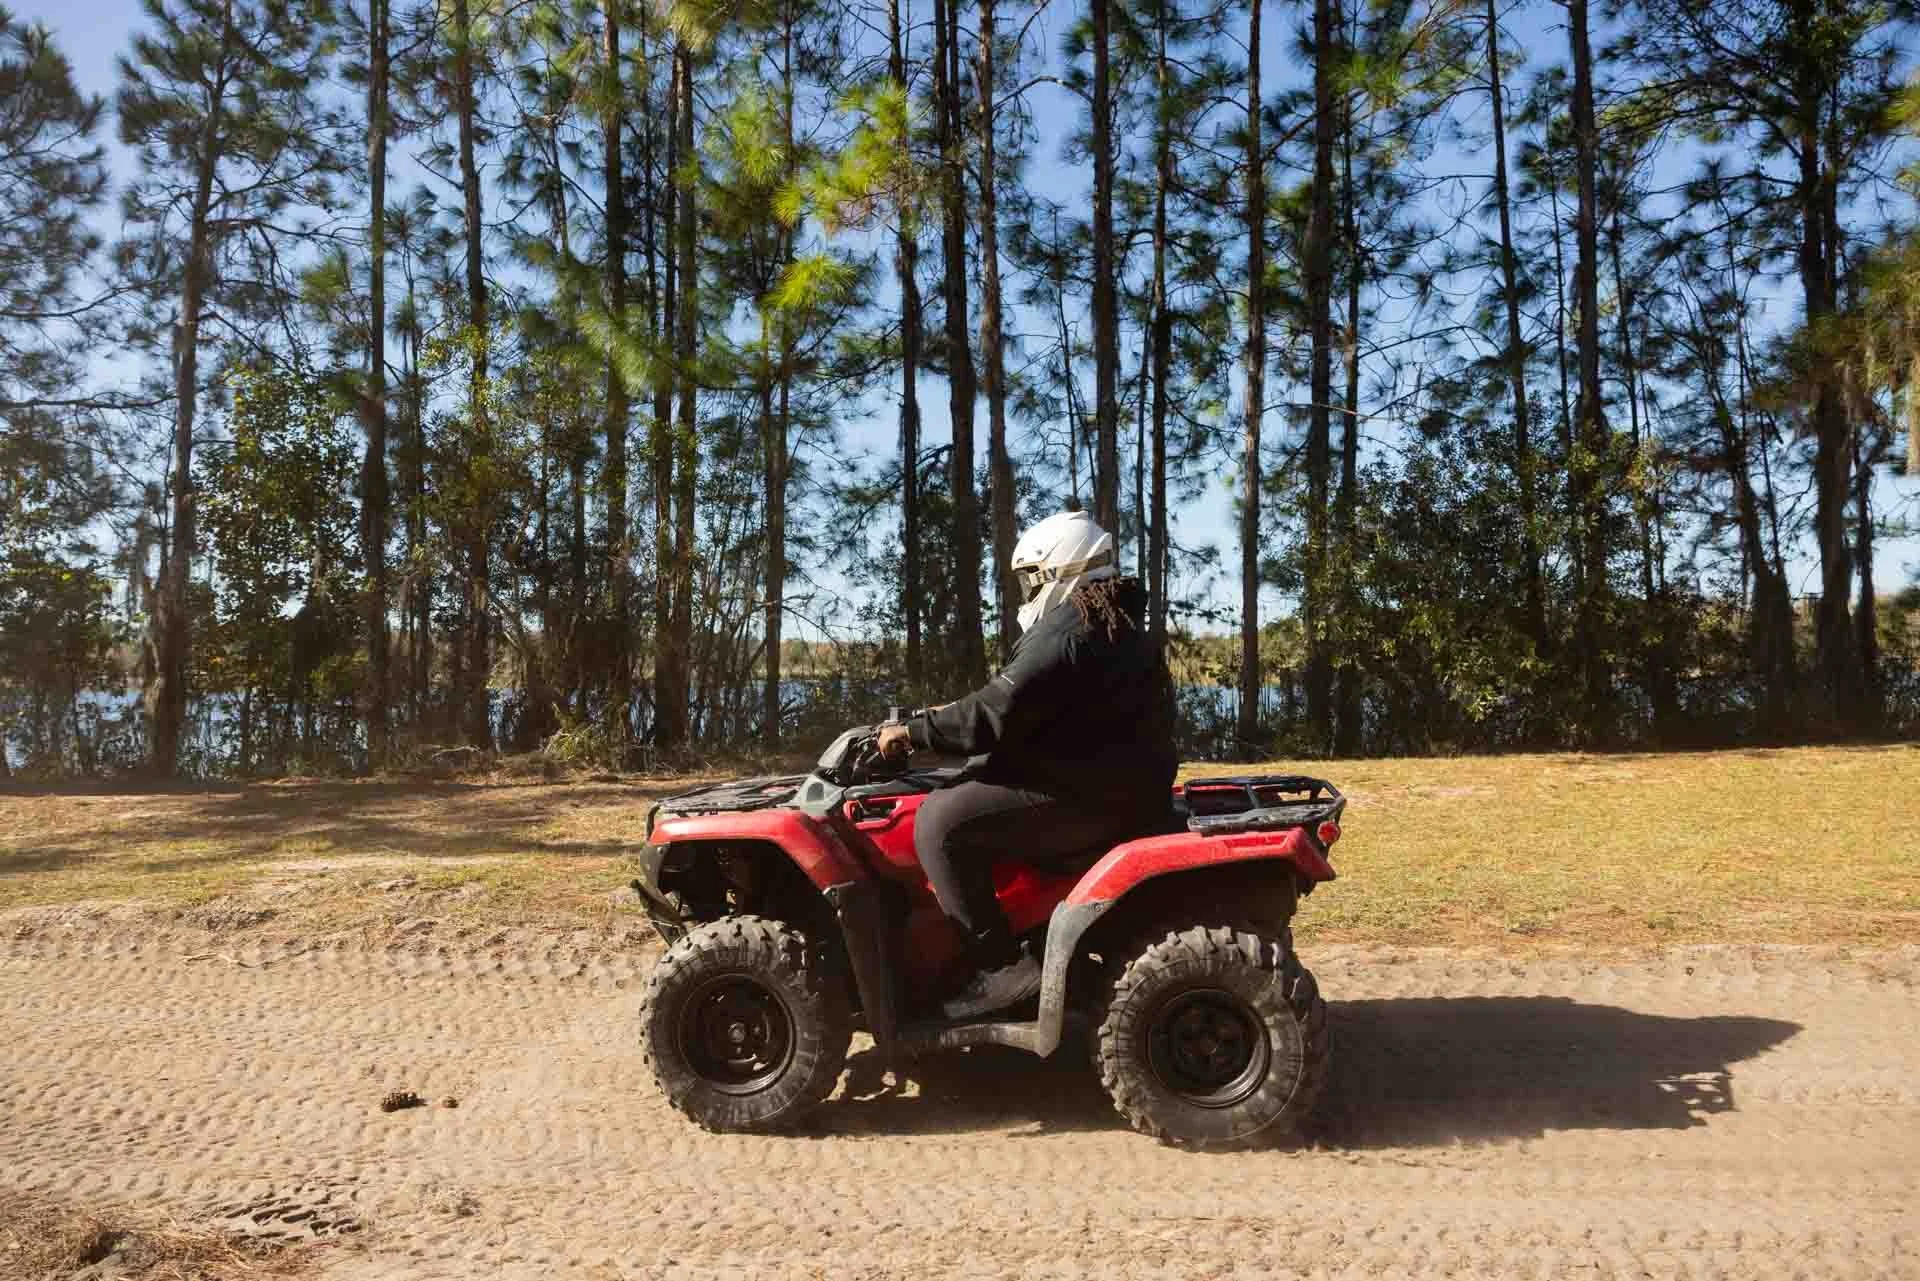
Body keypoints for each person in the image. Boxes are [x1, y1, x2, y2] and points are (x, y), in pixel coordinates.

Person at [877, 510, 1178, 1018]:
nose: (1024, 591)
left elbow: (996, 710)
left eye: (1027, 580)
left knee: (938, 821)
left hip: (1089, 796)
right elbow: (1023, 702)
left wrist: (913, 732)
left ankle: (997, 969)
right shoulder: (1113, 621)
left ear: (1055, 571)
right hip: (1117, 786)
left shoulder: (1069, 629)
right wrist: (942, 718)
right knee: (967, 789)